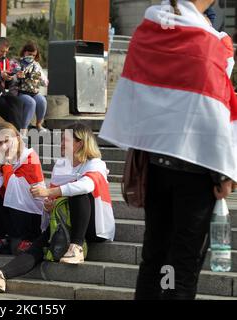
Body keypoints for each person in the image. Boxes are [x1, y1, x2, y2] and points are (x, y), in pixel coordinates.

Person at [99, 0, 237, 300]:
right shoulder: (209, 42)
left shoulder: (147, 30)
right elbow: (213, 110)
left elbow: (139, 94)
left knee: (154, 256)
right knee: (182, 265)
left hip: (155, 163)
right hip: (196, 170)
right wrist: (223, 172)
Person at [0, 124, 115, 292]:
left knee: (78, 194)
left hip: (94, 228)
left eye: (66, 140)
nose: (61, 143)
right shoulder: (61, 164)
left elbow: (86, 186)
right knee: (37, 247)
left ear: (80, 143)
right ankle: (0, 275)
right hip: (64, 223)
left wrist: (50, 191)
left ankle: (76, 247)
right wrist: (50, 204)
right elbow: (52, 199)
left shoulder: (96, 164)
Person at [0, 122, 45, 255]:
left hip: (29, 216)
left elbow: (13, 189)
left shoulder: (30, 157)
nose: (3, 146)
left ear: (18, 139)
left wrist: (7, 164)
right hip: (10, 212)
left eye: (7, 141)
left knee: (16, 249)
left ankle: (26, 239)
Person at [0, 37, 25, 131]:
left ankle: (20, 131)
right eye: (2, 51)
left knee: (18, 102)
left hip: (2, 91)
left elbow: (7, 84)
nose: (4, 54)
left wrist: (11, 78)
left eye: (6, 52)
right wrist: (1, 75)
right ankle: (18, 133)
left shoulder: (4, 60)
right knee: (10, 109)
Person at [16, 41, 49, 134]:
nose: (31, 57)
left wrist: (42, 80)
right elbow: (13, 75)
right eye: (29, 54)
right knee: (31, 103)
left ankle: (38, 124)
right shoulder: (18, 62)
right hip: (21, 92)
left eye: (33, 55)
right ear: (24, 52)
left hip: (34, 92)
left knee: (42, 100)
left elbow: (44, 81)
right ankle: (24, 129)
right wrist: (18, 75)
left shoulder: (37, 65)